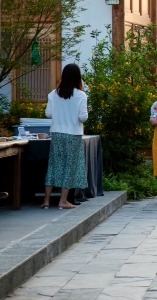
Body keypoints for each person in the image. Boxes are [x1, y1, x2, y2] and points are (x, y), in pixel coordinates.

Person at [42, 64, 89, 210]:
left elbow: (48, 114)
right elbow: (83, 117)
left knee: (53, 166)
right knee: (69, 167)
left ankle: (46, 201)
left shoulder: (53, 94)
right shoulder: (81, 95)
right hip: (73, 135)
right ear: (77, 77)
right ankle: (63, 201)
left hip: (57, 134)